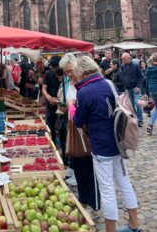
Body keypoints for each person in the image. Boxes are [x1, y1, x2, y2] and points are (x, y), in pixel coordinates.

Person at [73, 56, 141, 232]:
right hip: (118, 142)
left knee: (107, 190)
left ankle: (110, 230)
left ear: (80, 72)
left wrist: (75, 109)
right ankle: (134, 224)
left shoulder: (84, 92)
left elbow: (78, 121)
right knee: (124, 183)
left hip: (101, 145)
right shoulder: (107, 83)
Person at [60, 54, 100, 214]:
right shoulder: (69, 83)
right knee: (78, 165)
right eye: (65, 72)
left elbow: (86, 106)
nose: (68, 74)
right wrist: (66, 106)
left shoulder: (85, 83)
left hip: (86, 131)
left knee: (89, 167)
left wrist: (72, 106)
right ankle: (83, 199)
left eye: (70, 70)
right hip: (73, 129)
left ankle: (93, 202)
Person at [42, 56, 63, 145]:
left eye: (56, 67)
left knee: (61, 128)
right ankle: (52, 144)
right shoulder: (48, 74)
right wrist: (48, 97)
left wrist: (58, 100)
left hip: (61, 106)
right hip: (50, 105)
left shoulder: (63, 74)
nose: (54, 69)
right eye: (52, 67)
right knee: (49, 127)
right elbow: (43, 89)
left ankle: (61, 145)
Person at [121, 53, 144, 127]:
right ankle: (135, 119)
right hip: (128, 88)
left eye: (124, 59)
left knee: (137, 103)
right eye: (122, 59)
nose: (122, 60)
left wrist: (138, 86)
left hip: (135, 88)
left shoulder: (136, 66)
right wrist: (125, 88)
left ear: (128, 58)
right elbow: (124, 77)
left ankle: (140, 120)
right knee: (131, 105)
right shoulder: (122, 66)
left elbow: (141, 77)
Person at [146, 54, 157, 135]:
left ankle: (150, 125)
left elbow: (146, 81)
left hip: (151, 90)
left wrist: (147, 92)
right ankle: (150, 124)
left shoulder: (148, 69)